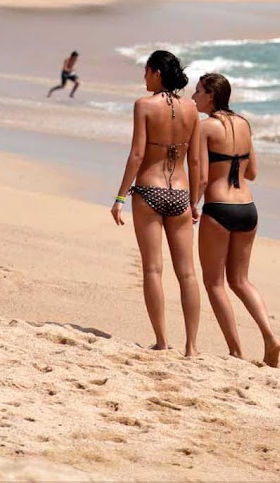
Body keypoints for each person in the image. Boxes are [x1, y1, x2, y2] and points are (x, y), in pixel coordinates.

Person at [111, 50, 201, 354]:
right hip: (181, 193)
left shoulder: (144, 106)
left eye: (146, 71)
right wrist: (196, 202)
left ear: (157, 73)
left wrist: (120, 197)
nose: (143, 77)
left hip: (149, 191)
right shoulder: (192, 110)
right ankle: (192, 346)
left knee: (152, 269)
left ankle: (163, 342)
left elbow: (137, 154)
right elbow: (197, 161)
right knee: (187, 272)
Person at [194, 72, 280, 367]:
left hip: (218, 208)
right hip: (248, 207)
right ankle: (269, 336)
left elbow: (202, 176)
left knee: (215, 283)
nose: (193, 97)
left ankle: (236, 351)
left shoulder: (204, 128)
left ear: (210, 96)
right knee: (241, 280)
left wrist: (193, 204)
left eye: (198, 92)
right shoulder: (244, 124)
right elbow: (252, 172)